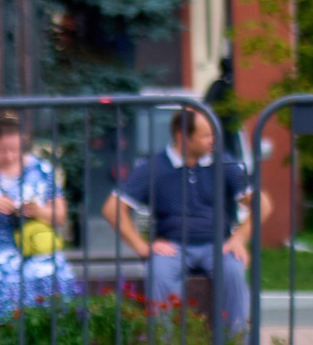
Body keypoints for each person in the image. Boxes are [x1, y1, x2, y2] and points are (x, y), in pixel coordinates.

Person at [102, 109, 265, 329]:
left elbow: (262, 204)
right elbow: (112, 208)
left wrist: (240, 238)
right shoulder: (155, 167)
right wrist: (142, 247)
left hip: (218, 244)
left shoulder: (224, 164)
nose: (213, 140)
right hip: (173, 247)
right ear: (182, 136)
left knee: (234, 271)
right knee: (159, 272)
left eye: (213, 134)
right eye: (205, 135)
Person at [0, 112, 81, 327]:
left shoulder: (42, 169)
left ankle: (50, 331)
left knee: (55, 270)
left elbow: (60, 216)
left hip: (33, 245)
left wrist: (37, 211)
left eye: (14, 150)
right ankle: (2, 334)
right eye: (2, 150)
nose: (9, 157)